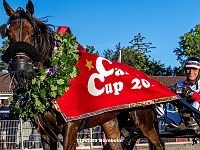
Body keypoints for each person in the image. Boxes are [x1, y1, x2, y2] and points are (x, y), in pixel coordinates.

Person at [157, 56, 200, 128]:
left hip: (197, 118)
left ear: (199, 71)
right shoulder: (179, 84)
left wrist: (192, 94)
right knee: (156, 108)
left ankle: (192, 121)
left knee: (196, 103)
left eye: (194, 69)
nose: (191, 72)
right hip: (181, 120)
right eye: (188, 69)